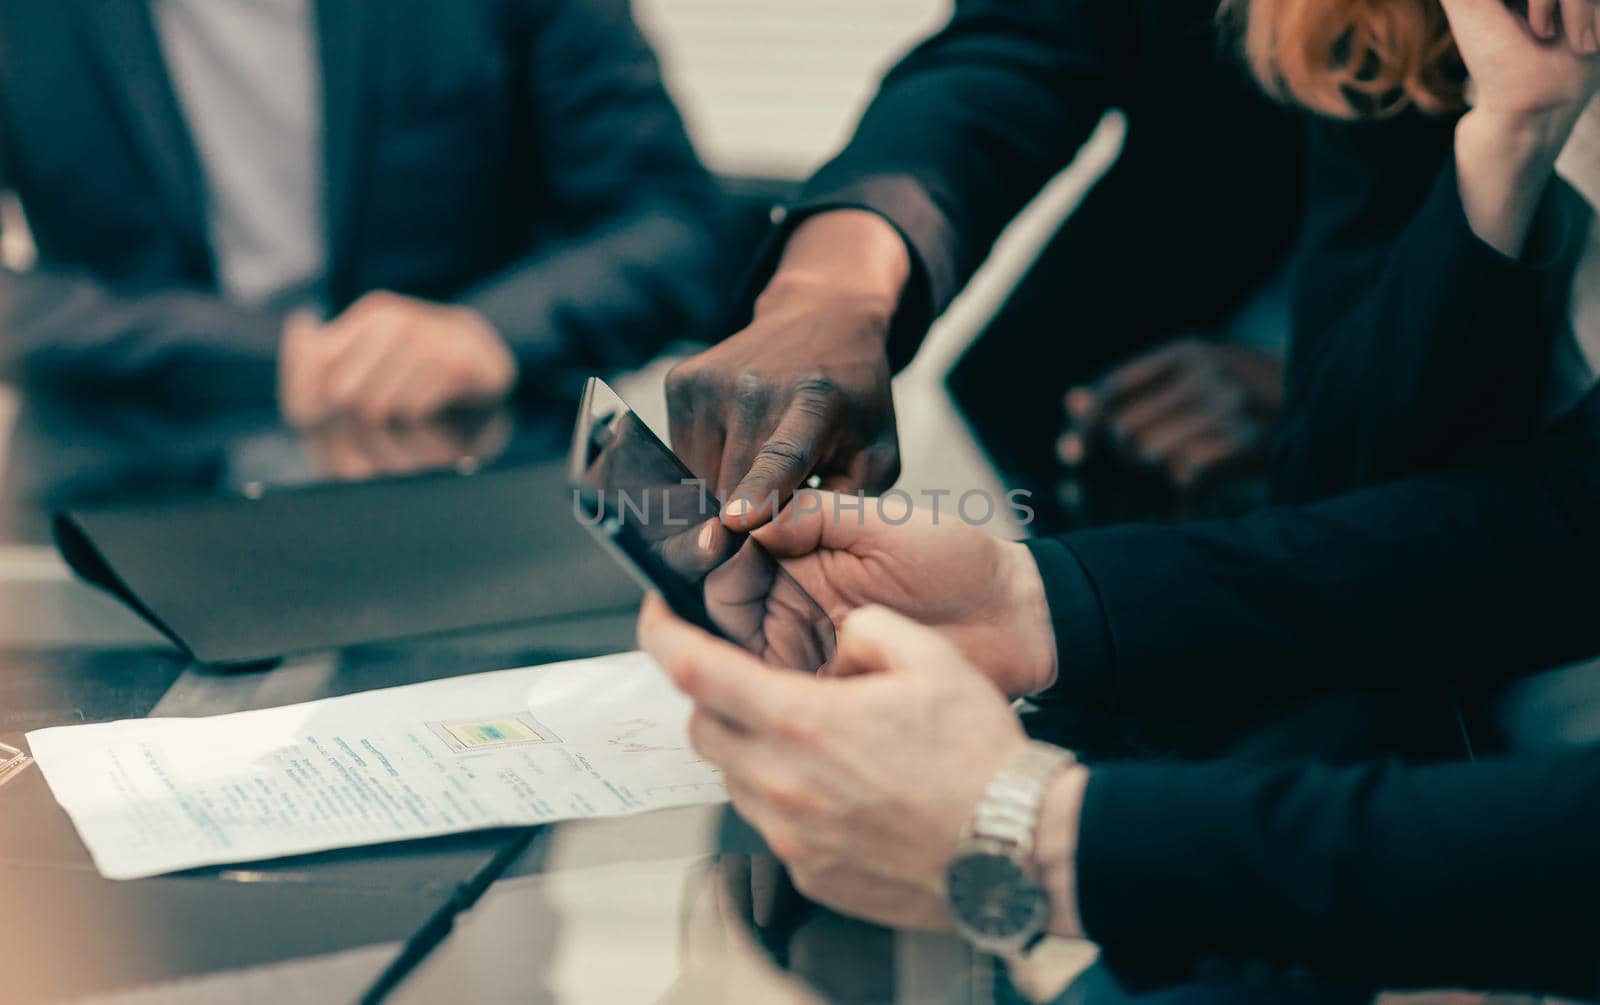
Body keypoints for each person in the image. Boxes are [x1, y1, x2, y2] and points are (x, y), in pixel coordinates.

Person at [637, 0, 1600, 994]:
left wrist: (1042, 834)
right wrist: (1034, 602)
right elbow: (1548, 510)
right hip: (1375, 665)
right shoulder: (1425, 42)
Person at [0, 0, 722, 422]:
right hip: (133, 479)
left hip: (471, 471)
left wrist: (490, 333)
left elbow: (673, 222)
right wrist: (262, 353)